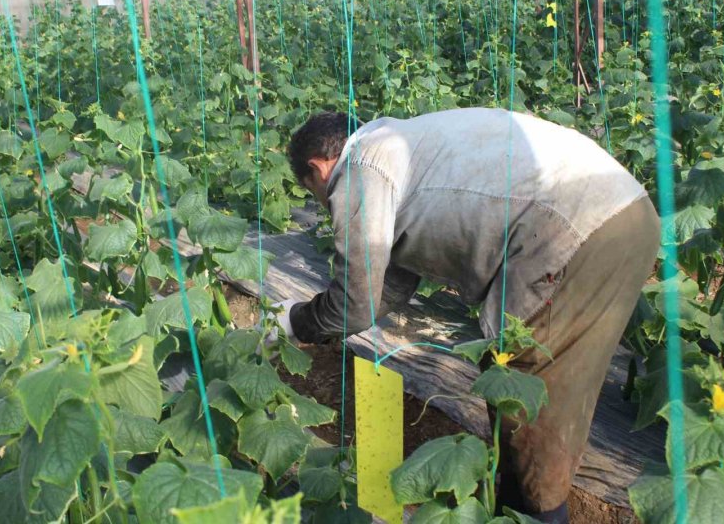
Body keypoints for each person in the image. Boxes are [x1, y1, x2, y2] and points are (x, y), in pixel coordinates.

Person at [275, 108, 660, 523]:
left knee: (521, 390)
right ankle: (515, 507)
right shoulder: (396, 145)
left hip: (572, 229)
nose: (322, 201)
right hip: (626, 215)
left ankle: (540, 513)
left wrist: (295, 321)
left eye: (312, 190)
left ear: (317, 168)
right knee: (560, 387)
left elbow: (356, 304)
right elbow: (393, 284)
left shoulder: (360, 167)